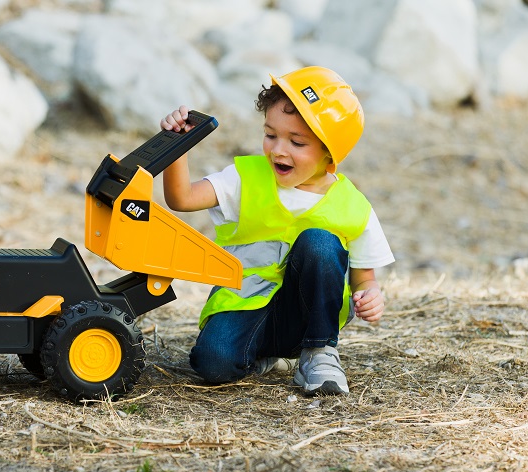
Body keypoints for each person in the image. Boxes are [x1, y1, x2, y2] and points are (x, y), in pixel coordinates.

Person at [159, 66, 394, 395]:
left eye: (296, 142)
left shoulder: (352, 206)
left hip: (305, 320)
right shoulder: (246, 178)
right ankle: (264, 357)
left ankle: (319, 352)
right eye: (271, 135)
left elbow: (364, 278)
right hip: (243, 305)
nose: (278, 150)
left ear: (330, 153)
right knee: (212, 364)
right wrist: (177, 147)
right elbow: (181, 198)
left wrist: (371, 294)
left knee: (319, 242)